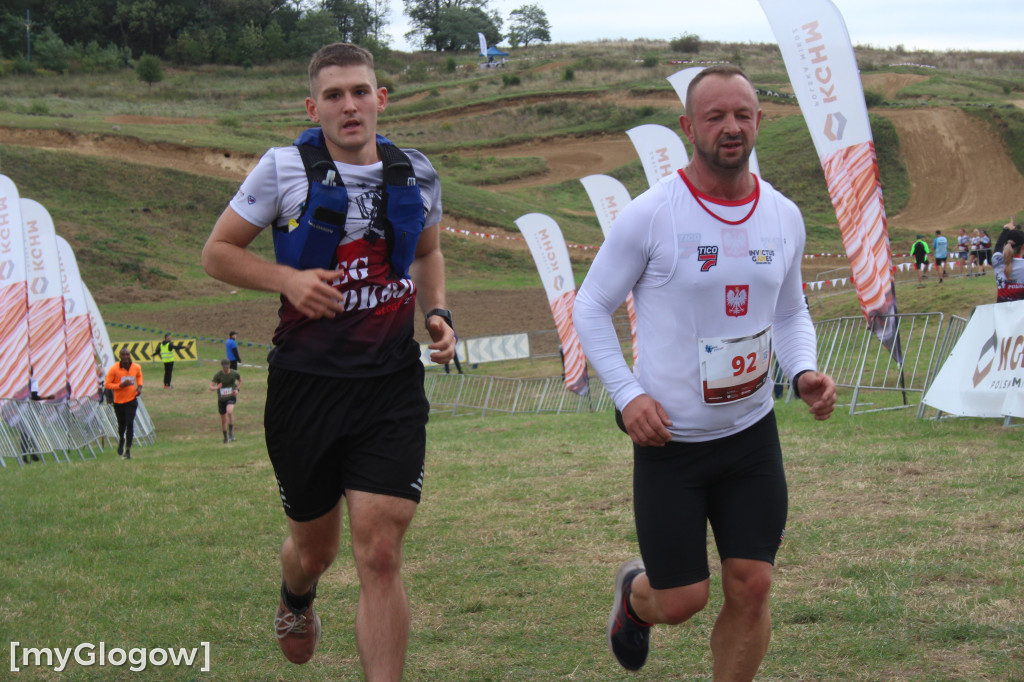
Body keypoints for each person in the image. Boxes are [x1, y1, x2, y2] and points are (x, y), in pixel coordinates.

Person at [573, 65, 837, 680]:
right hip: (671, 442)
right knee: (681, 601)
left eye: (742, 114)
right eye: (715, 116)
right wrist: (628, 395)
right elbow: (589, 306)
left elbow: (792, 311)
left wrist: (802, 372)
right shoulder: (651, 214)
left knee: (752, 585)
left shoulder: (784, 216)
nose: (731, 127)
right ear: (689, 126)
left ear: (759, 122)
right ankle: (636, 596)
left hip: (751, 436)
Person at [200, 42, 455, 676]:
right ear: (314, 107)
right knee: (316, 553)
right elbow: (218, 253)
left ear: (381, 98)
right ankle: (297, 595)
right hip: (306, 387)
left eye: (361, 92)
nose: (350, 105)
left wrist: (438, 313)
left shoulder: (417, 171)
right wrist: (284, 280)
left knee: (382, 552)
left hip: (389, 385)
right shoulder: (283, 169)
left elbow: (425, 254)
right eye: (335, 96)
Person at [104, 347, 143, 459]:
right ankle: (122, 439)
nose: (125, 356)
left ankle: (128, 451)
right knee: (122, 425)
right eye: (123, 354)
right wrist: (120, 386)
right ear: (120, 356)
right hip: (119, 402)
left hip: (131, 400)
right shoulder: (114, 369)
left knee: (130, 423)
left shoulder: (136, 367)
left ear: (129, 355)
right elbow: (107, 384)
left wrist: (139, 387)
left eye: (127, 354)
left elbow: (139, 376)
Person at [209, 359, 242, 443]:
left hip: (231, 396)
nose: (226, 369)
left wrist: (237, 389)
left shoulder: (234, 373)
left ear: (229, 365)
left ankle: (231, 433)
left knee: (229, 411)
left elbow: (240, 380)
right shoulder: (218, 375)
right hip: (222, 399)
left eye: (227, 367)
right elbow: (211, 387)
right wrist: (217, 387)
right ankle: (225, 437)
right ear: (222, 366)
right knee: (223, 420)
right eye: (224, 367)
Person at [992, 225, 1024, 302]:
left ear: (1005, 245)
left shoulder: (997, 261)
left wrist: (1006, 230)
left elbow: (998, 247)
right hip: (1020, 311)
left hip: (1000, 310)